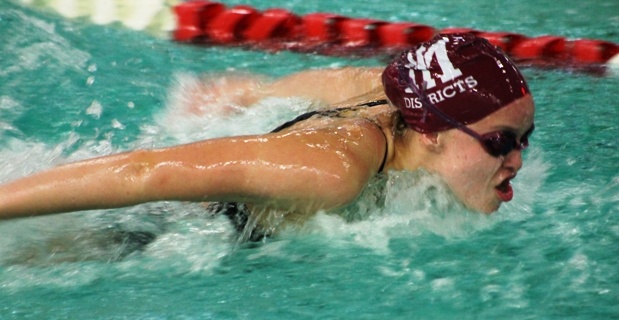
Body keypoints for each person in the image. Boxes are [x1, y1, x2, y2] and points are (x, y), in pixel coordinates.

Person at [0, 34, 535, 241]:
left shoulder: (387, 96)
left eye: (524, 140)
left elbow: (345, 79)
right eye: (500, 142)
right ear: (432, 131)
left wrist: (254, 91)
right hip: (147, 235)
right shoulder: (332, 171)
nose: (516, 159)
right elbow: (149, 173)